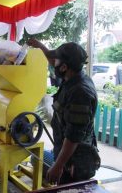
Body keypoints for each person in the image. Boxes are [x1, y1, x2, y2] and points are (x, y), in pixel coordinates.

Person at [27, 39, 100, 185]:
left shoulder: (80, 92)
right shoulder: (73, 77)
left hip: (75, 163)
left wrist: (58, 166)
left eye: (57, 61)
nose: (54, 64)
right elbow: (51, 57)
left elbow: (74, 135)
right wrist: (40, 46)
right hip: (67, 156)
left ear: (65, 67)